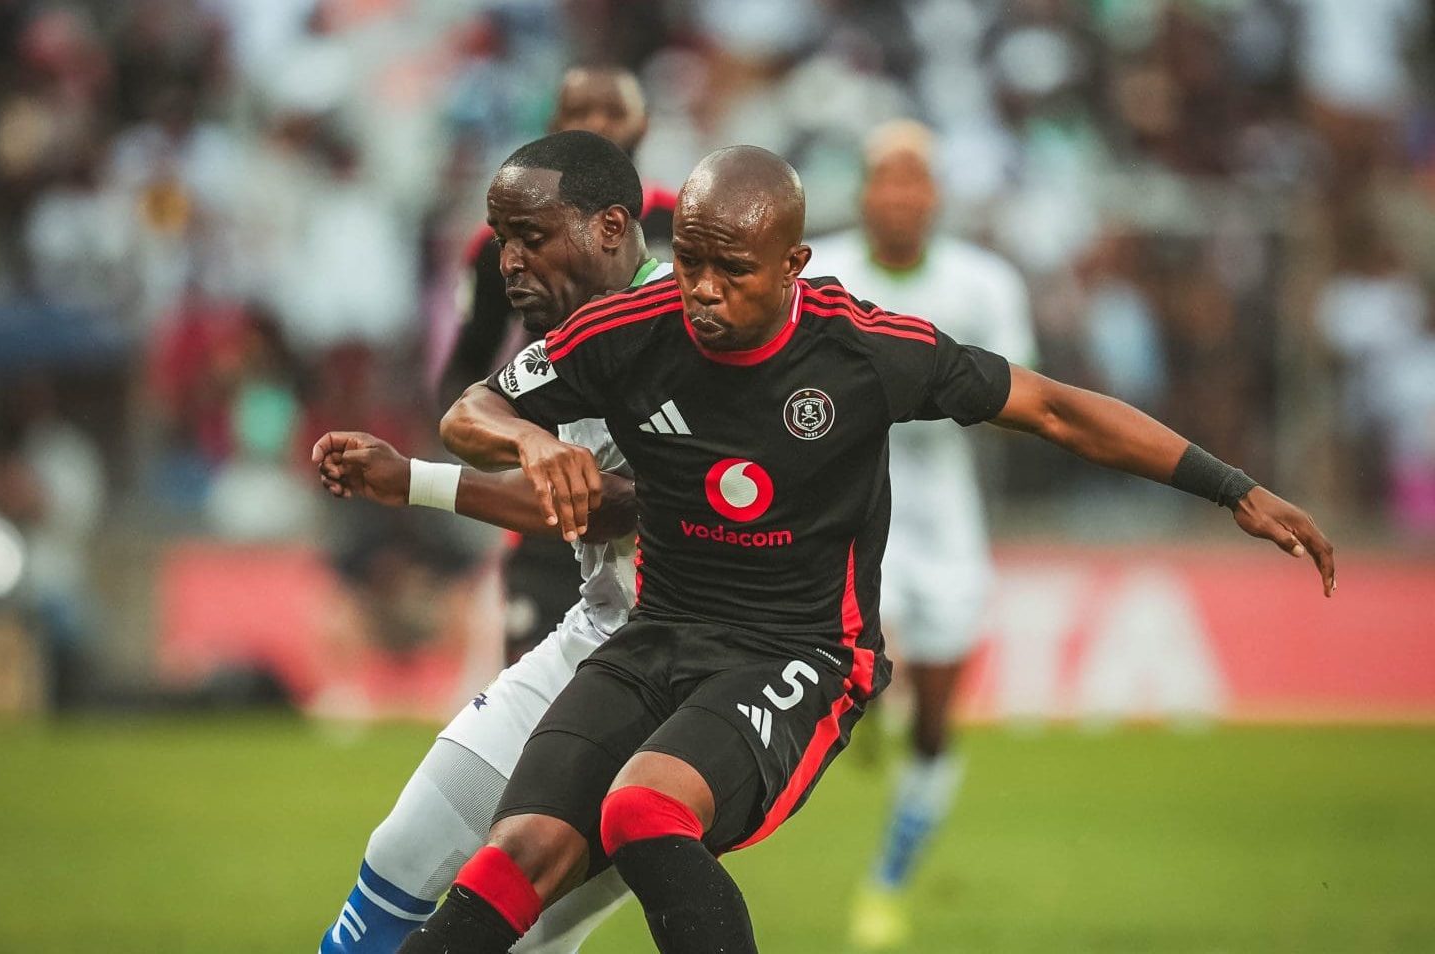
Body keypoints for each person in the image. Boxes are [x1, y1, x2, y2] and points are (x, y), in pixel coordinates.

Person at [406, 146, 1335, 954]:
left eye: (731, 268)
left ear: (795, 265)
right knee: (516, 853)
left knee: (643, 810)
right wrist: (534, 439)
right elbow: (469, 410)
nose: (702, 289)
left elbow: (1054, 409)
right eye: (687, 260)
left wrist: (1233, 488)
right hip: (656, 636)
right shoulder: (630, 330)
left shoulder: (862, 349)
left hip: (800, 651)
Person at [314, 130, 671, 954]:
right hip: (596, 635)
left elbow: (644, 506)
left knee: (523, 934)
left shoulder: (687, 328)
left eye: (530, 238)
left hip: (693, 678)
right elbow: (486, 427)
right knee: (400, 852)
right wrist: (414, 477)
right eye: (502, 239)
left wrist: (578, 476)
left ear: (610, 226)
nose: (508, 261)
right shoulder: (576, 338)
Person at [808, 120, 1036, 949]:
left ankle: (887, 883)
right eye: (884, 180)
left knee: (936, 723)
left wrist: (931, 387)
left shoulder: (986, 283)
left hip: (945, 523)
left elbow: (1019, 400)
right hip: (848, 510)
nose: (899, 196)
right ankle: (864, 698)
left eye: (914, 181)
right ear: (866, 192)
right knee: (856, 673)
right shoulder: (821, 272)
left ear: (933, 195)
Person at [442, 65, 678, 666]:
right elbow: (463, 373)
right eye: (581, 113)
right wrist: (522, 429)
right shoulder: (503, 244)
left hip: (676, 493)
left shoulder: (688, 222)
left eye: (611, 111)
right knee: (534, 693)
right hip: (556, 485)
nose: (598, 125)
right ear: (555, 128)